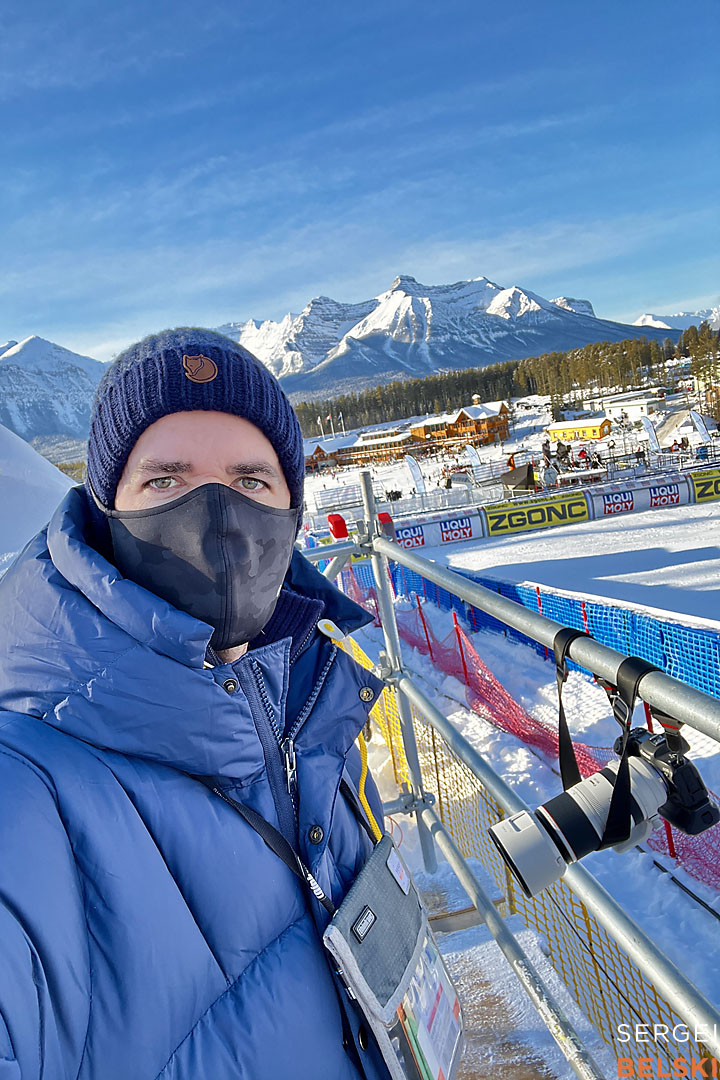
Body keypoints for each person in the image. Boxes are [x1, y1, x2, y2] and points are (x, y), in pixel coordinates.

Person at [0, 329, 391, 1080]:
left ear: (293, 514)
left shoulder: (310, 706)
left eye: (250, 482)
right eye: (166, 482)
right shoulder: (26, 790)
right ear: (105, 514)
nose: (216, 517)